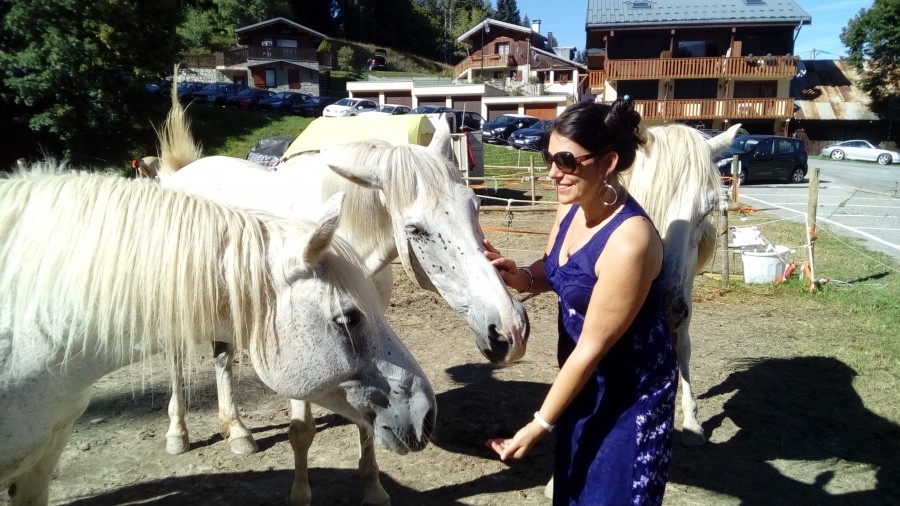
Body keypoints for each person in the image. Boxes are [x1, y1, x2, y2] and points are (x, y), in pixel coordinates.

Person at [484, 98, 677, 505]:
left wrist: (538, 424)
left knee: (610, 494)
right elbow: (559, 270)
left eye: (567, 160)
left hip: (628, 395)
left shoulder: (630, 241)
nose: (553, 172)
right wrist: (523, 277)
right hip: (583, 384)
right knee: (572, 490)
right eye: (549, 156)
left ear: (607, 163)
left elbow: (591, 347)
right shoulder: (571, 206)